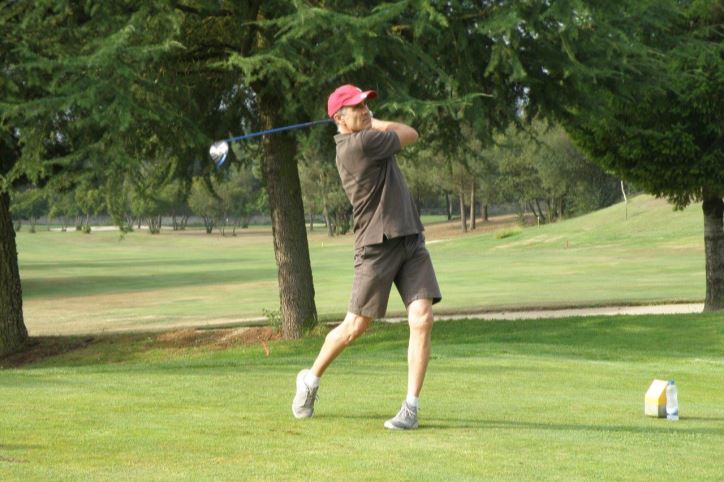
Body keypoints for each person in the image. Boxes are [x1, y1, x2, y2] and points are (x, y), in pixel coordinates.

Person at [292, 84, 442, 430]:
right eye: (357, 107)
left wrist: (368, 119)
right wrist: (374, 122)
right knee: (355, 326)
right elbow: (410, 133)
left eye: (366, 104)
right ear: (339, 118)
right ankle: (310, 379)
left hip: (409, 239)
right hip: (375, 246)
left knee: (422, 319)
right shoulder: (358, 144)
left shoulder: (364, 136)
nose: (365, 110)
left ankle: (411, 408)